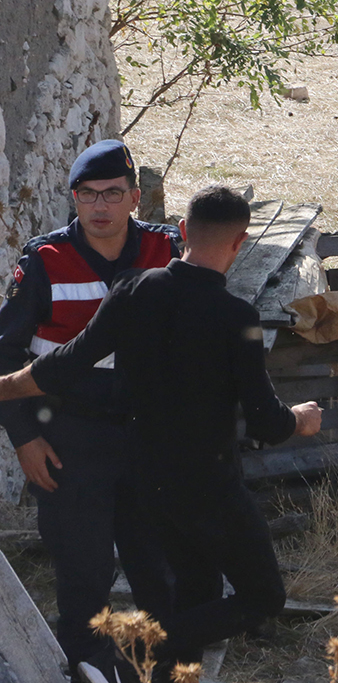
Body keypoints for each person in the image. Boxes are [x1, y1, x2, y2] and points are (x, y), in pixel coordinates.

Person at [0, 185, 323, 683]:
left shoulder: (133, 289)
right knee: (263, 597)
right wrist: (300, 419)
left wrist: (7, 388)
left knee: (194, 594)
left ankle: (151, 666)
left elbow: (67, 362)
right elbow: (264, 420)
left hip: (147, 480)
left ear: (185, 232)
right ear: (239, 244)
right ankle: (144, 643)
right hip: (210, 487)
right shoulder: (237, 317)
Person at [0, 139, 179, 671]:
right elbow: (5, 356)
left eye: (112, 194)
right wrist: (25, 439)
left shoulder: (166, 253)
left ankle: (160, 665)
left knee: (161, 564)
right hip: (68, 440)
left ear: (135, 198)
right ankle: (87, 667)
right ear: (74, 199)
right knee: (84, 571)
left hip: (149, 438)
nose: (99, 207)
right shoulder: (44, 260)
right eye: (87, 195)